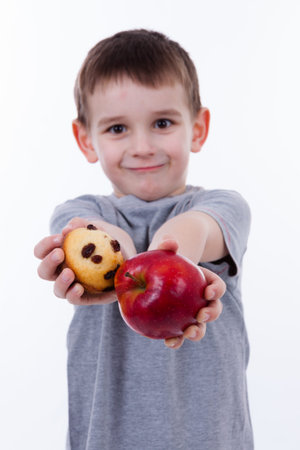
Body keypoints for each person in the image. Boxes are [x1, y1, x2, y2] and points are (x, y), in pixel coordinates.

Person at [34, 29, 253, 450]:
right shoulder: (80, 217)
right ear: (86, 140)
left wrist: (168, 253)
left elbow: (198, 230)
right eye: (117, 128)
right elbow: (101, 235)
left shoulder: (225, 207)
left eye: (163, 123)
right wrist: (119, 252)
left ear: (198, 129)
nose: (142, 146)